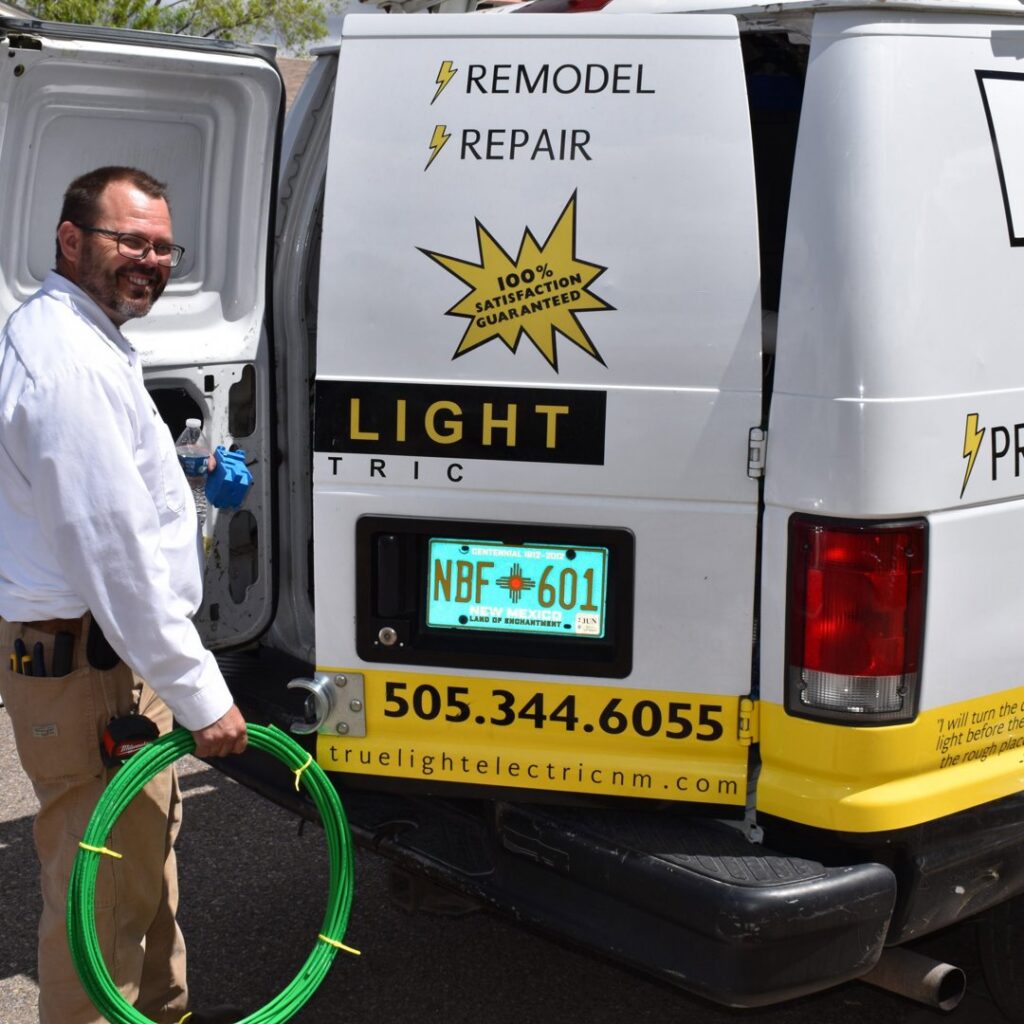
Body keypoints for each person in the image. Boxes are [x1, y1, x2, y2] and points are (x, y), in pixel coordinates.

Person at [0, 166, 247, 1024]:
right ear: (72, 241)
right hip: (92, 662)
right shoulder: (68, 363)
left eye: (160, 245)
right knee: (99, 896)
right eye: (128, 240)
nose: (149, 259)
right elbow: (112, 556)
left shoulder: (80, 336)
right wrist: (202, 694)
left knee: (139, 872)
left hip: (106, 653)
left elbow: (101, 500)